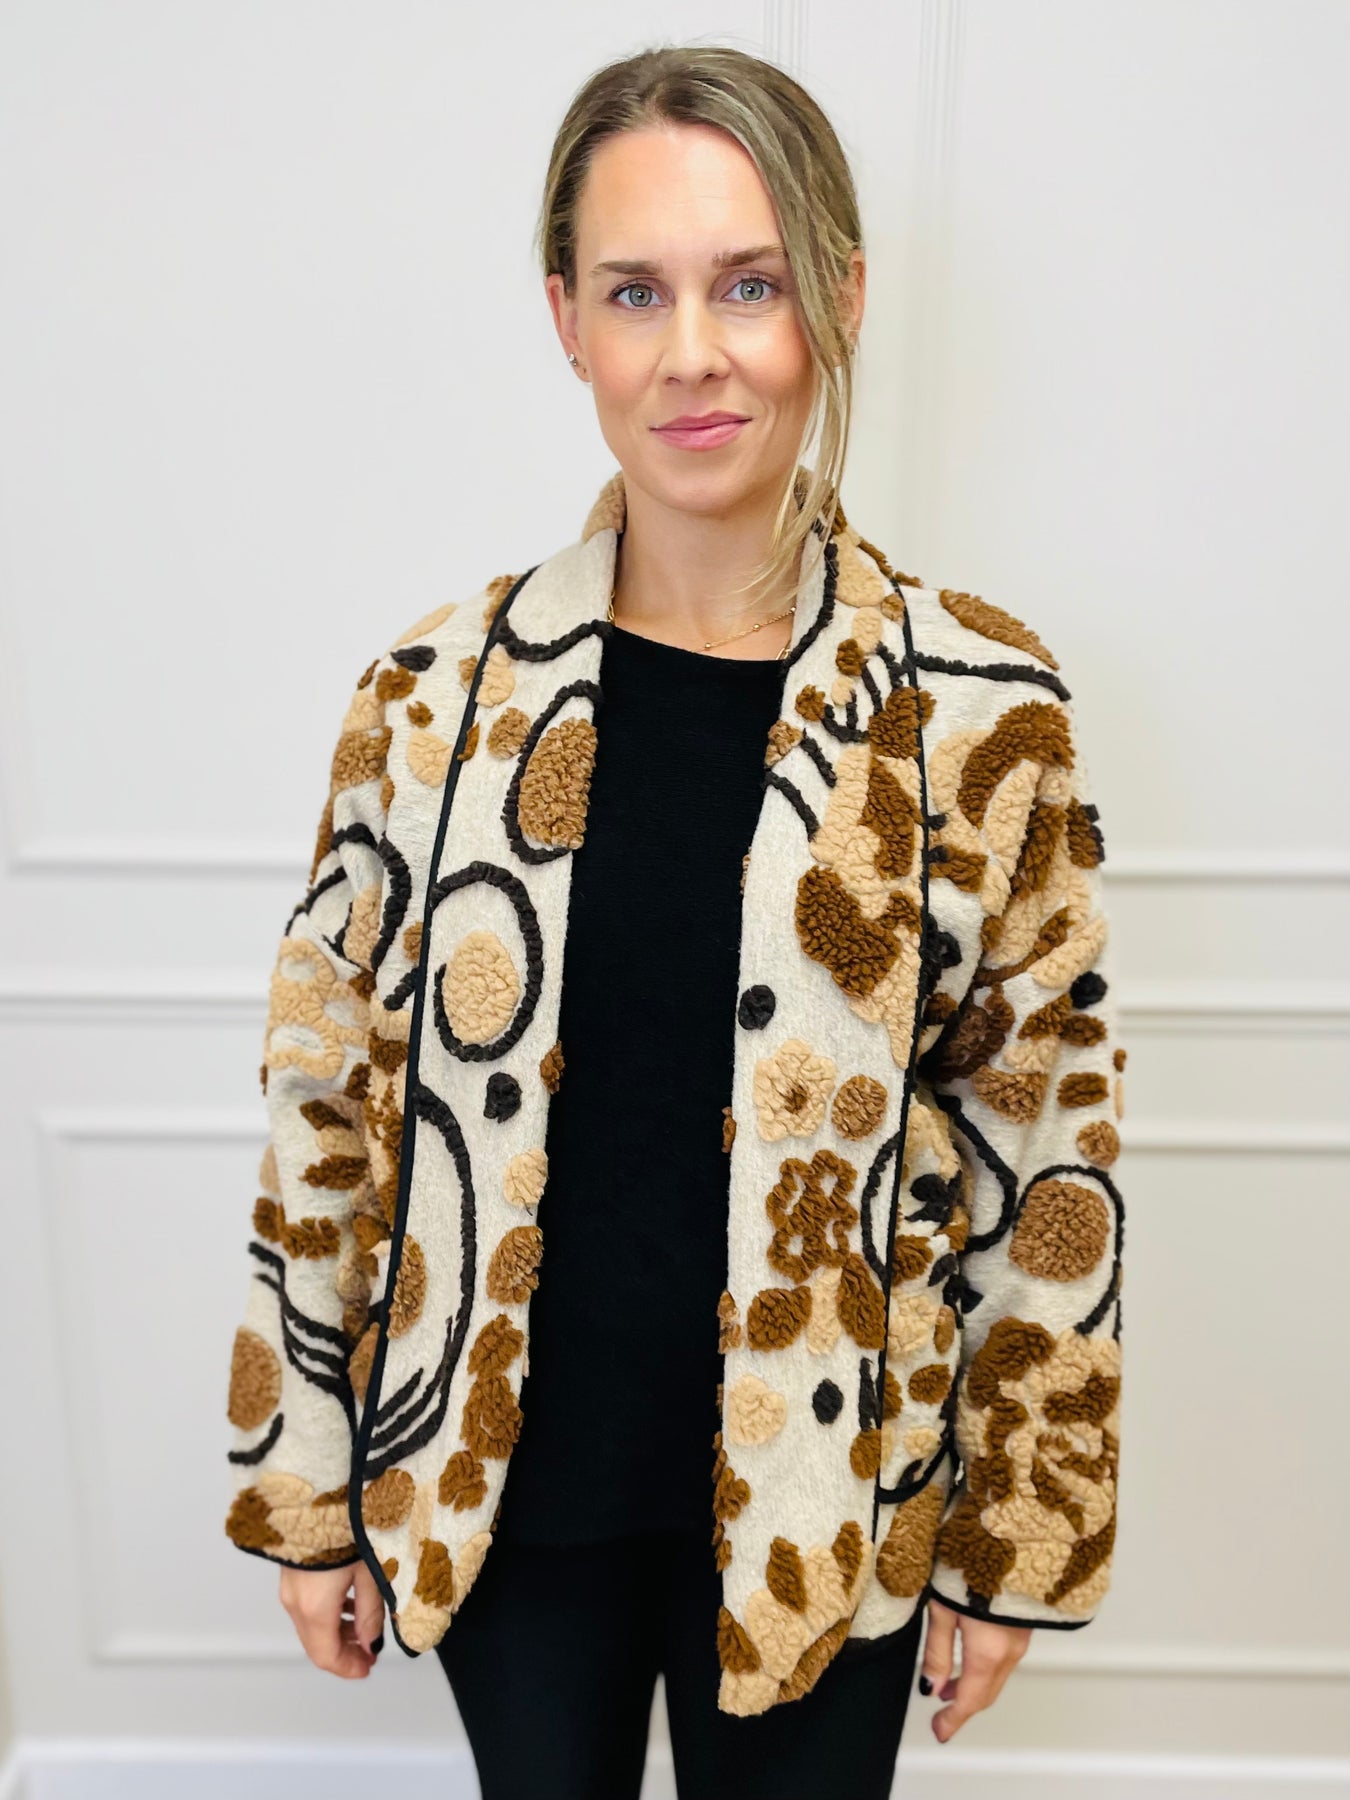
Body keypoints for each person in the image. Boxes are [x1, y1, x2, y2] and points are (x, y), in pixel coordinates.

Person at [221, 44, 1126, 1800]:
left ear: (838, 299)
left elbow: (1045, 1143)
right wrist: (303, 1487)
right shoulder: (432, 702)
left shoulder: (974, 710)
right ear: (566, 317)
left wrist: (1016, 1539)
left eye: (749, 285)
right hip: (501, 1496)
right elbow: (326, 1110)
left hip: (831, 1496)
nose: (692, 352)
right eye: (636, 291)